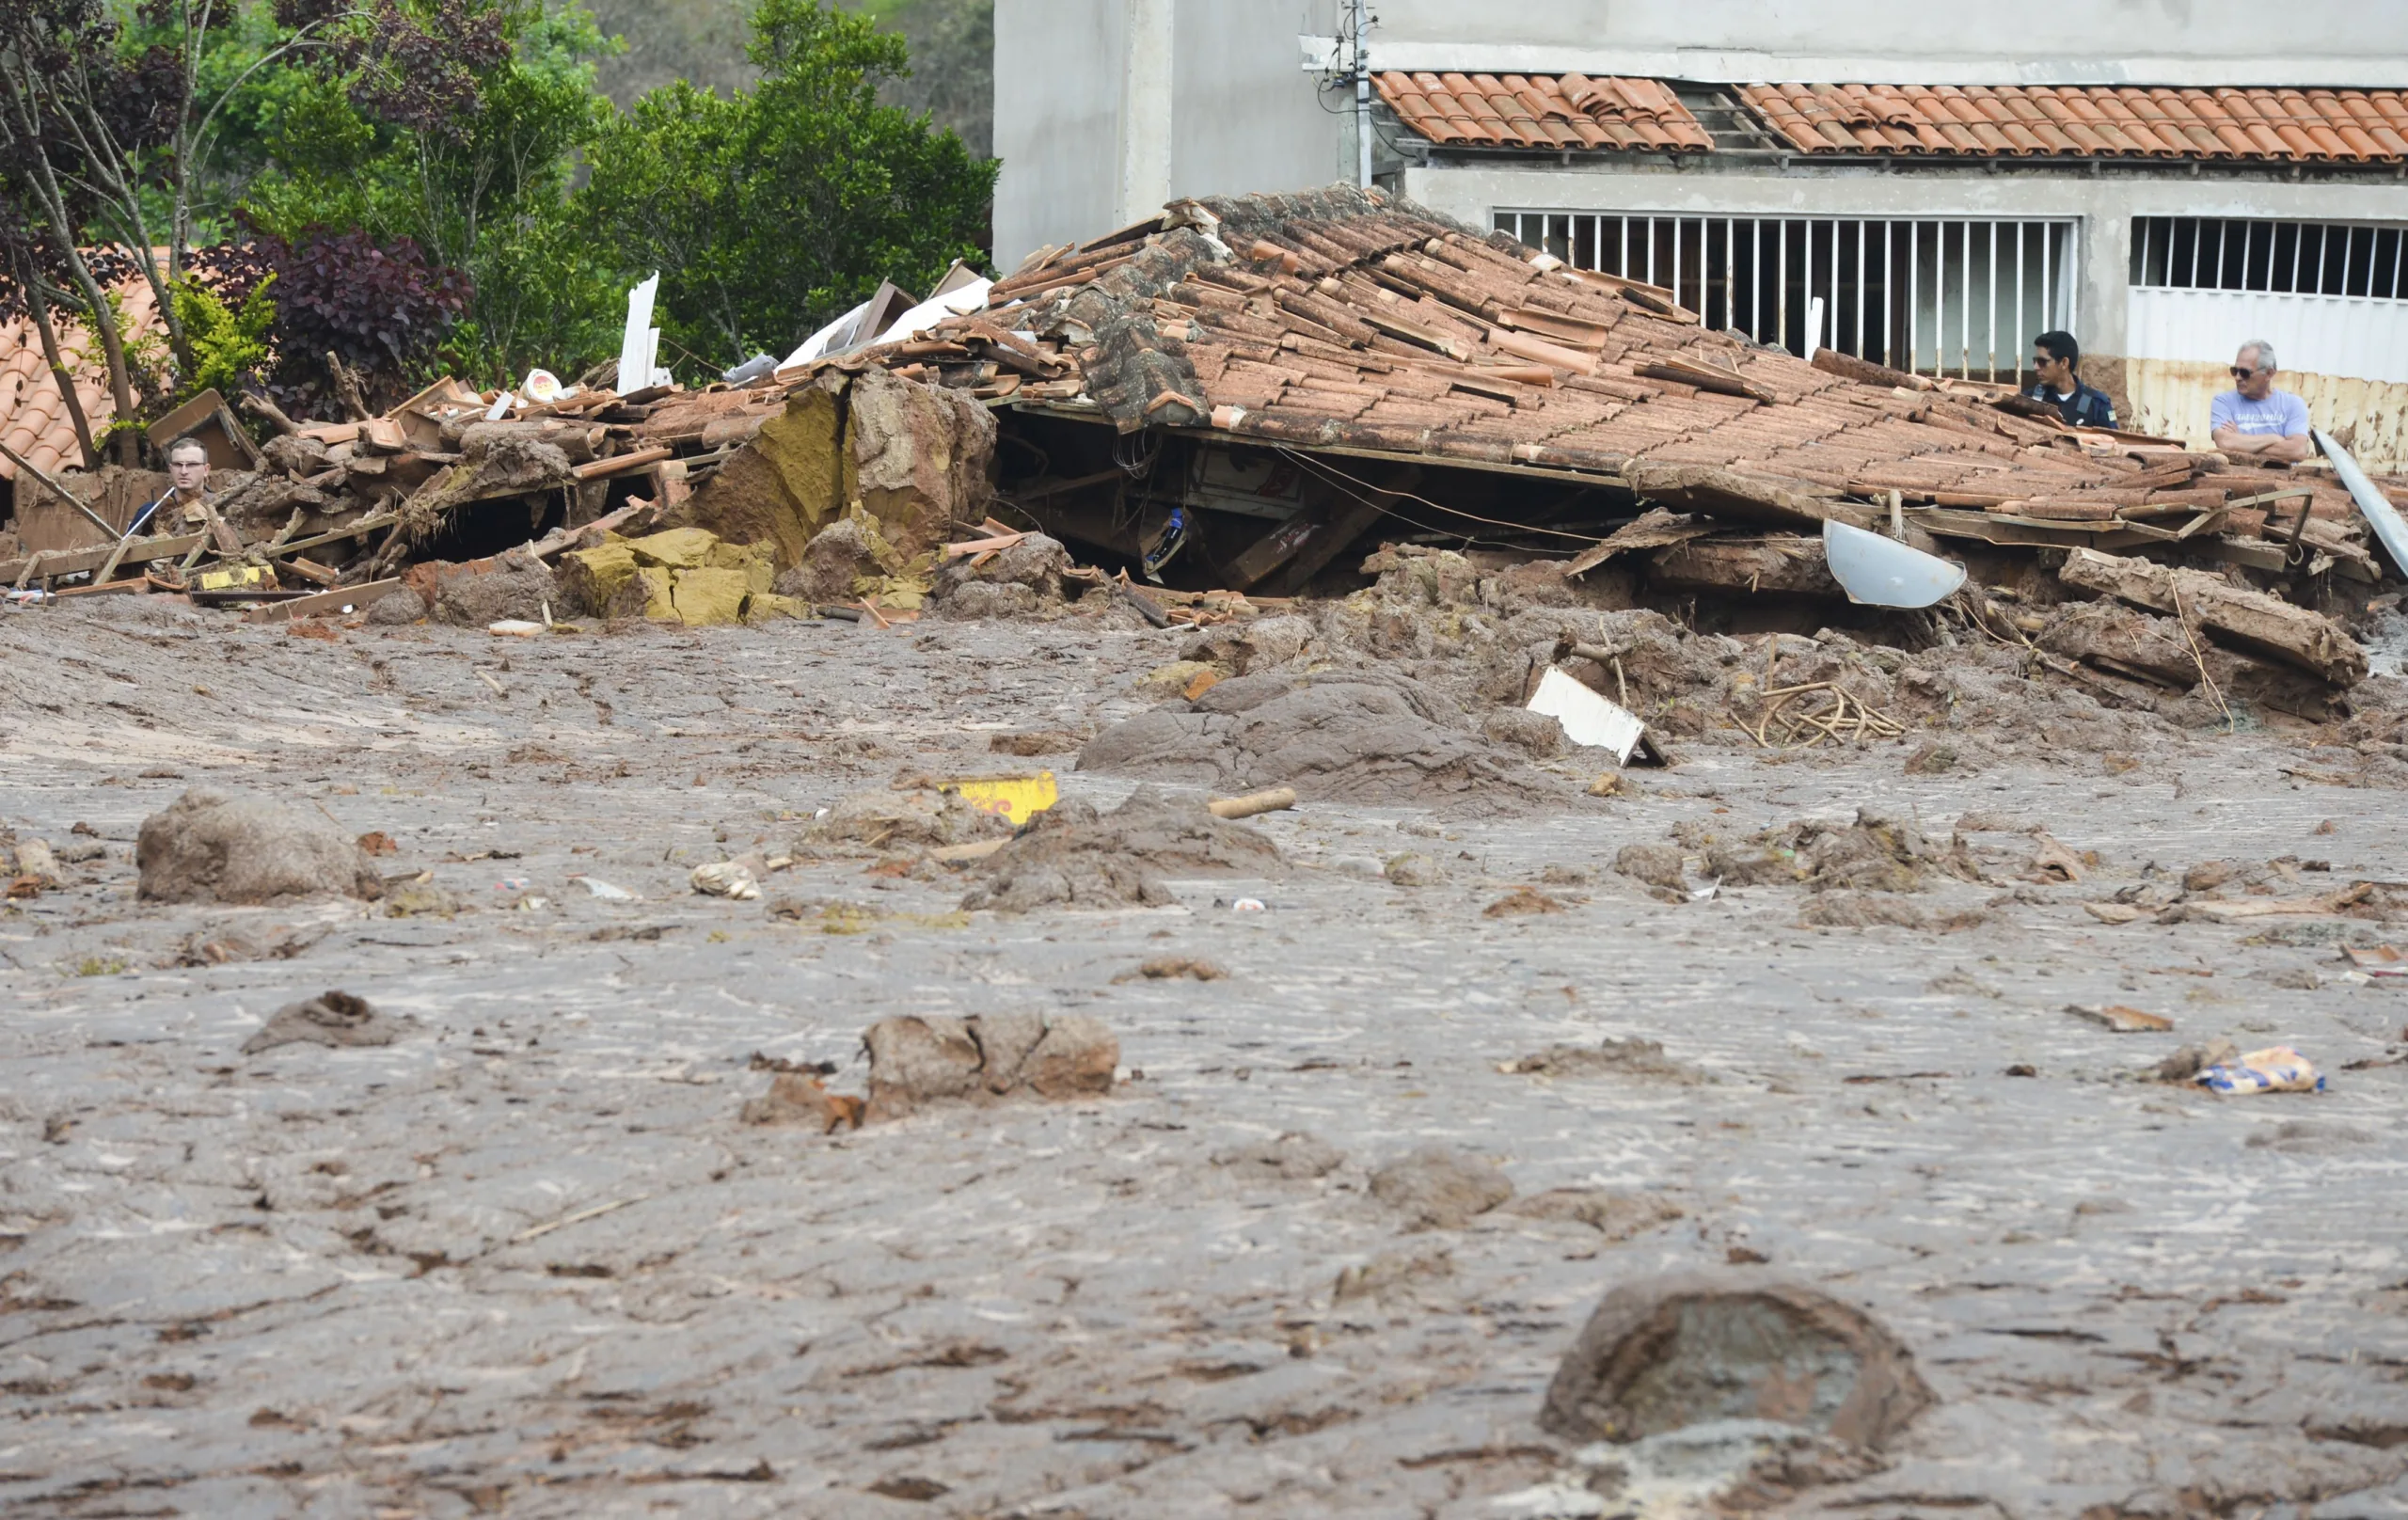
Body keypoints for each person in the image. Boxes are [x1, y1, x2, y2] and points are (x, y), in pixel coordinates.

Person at [2209, 339, 2312, 464]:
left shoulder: (2293, 404)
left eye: (2245, 373)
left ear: (2269, 373)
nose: (2237, 377)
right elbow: (2225, 442)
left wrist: (2241, 441)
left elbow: (2297, 451)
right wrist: (2274, 438)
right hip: (2239, 480)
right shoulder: (2223, 402)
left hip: (2283, 481)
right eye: (2235, 371)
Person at [2025, 330, 2115, 429]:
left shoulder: (2096, 404)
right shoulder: (2030, 400)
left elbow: (2112, 440)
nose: (2036, 367)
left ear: (2064, 363)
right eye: (2035, 361)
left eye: (2042, 362)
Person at [127, 435, 214, 537]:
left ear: (206, 470)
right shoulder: (149, 512)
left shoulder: (220, 506)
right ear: (171, 469)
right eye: (178, 465)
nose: (183, 471)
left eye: (191, 465)